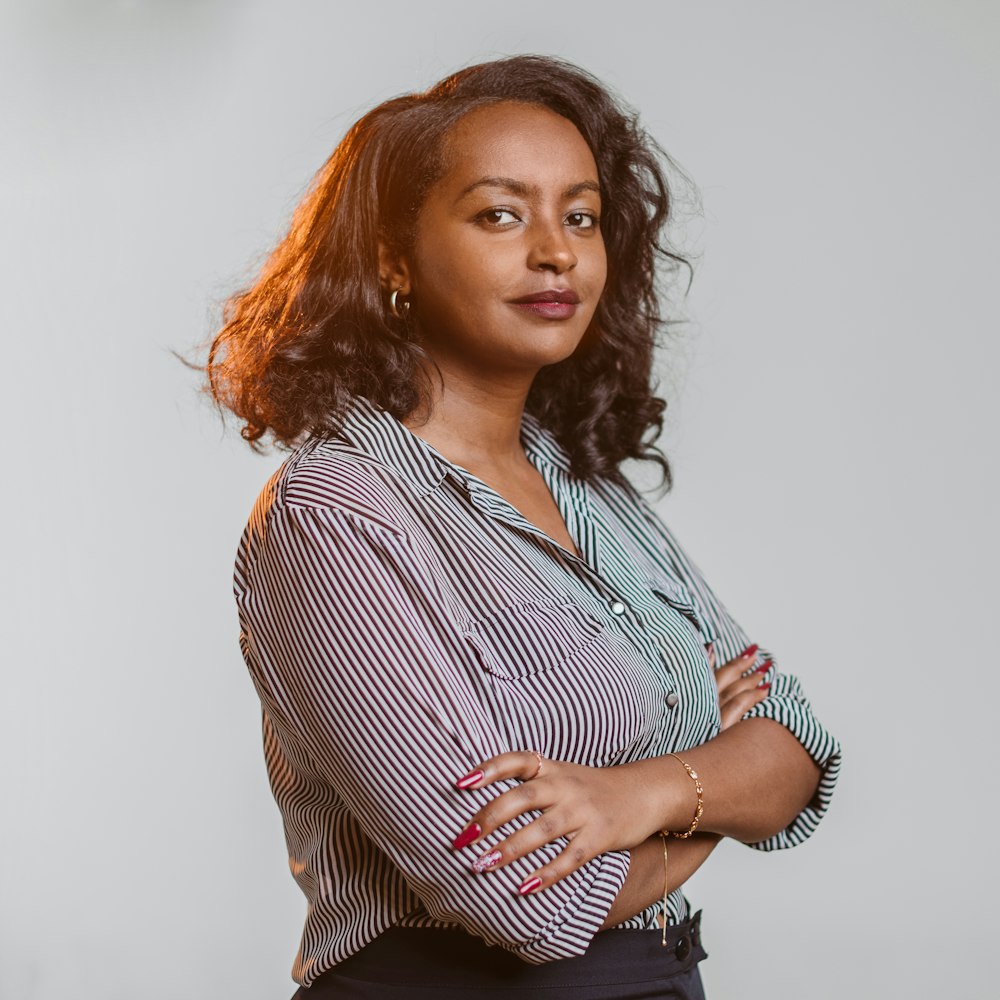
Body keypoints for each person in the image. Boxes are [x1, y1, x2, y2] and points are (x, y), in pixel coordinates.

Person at [205, 55, 841, 999]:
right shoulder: (337, 512)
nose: (557, 252)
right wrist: (718, 782)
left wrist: (637, 796)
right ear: (392, 257)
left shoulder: (588, 485)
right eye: (501, 214)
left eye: (579, 215)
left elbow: (800, 746)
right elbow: (523, 901)